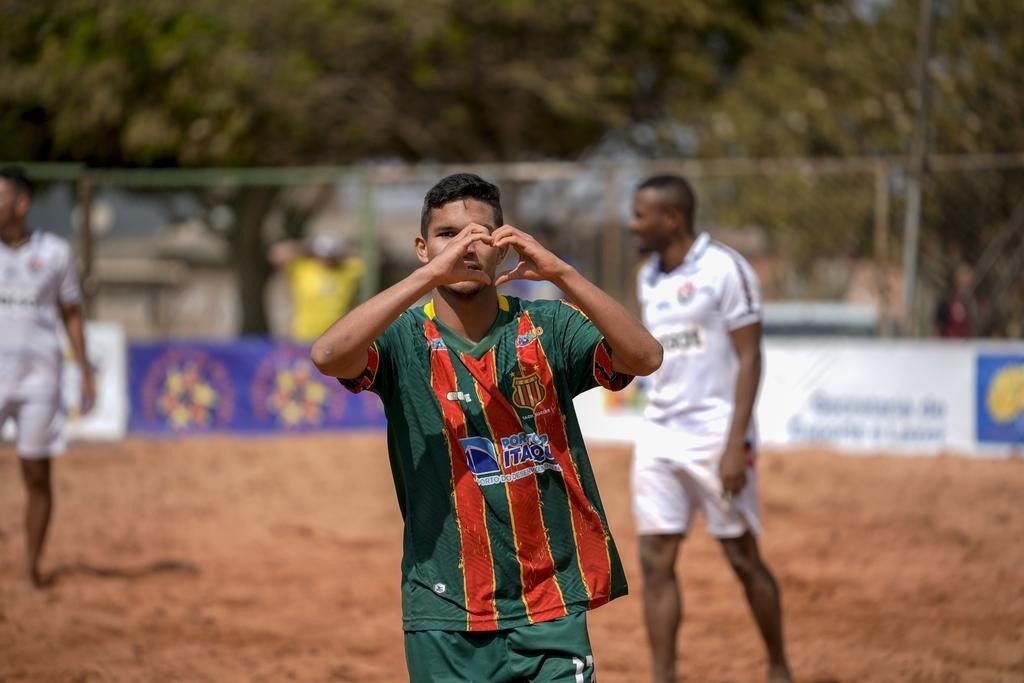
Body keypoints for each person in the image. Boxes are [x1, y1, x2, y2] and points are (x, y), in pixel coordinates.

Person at [311, 173, 662, 683]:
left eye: (481, 235)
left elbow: (645, 357)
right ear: (421, 248)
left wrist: (559, 271)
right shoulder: (403, 341)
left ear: (503, 247)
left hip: (551, 603)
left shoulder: (549, 326)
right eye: (447, 235)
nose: (465, 248)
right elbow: (327, 355)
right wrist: (429, 278)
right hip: (445, 607)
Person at [627, 174, 792, 683]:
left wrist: (735, 442)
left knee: (742, 557)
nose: (632, 223)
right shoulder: (646, 277)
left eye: (640, 214)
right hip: (658, 431)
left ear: (671, 218)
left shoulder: (726, 269)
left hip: (715, 433)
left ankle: (778, 666)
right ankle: (663, 676)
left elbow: (750, 357)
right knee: (655, 559)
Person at [0, 166, 95, 588]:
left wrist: (85, 370)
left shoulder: (54, 252)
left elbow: (71, 312)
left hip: (40, 377)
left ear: (21, 203)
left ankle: (30, 569)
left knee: (36, 474)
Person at [268, 232, 364, 342]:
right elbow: (277, 253)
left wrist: (342, 249)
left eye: (330, 256)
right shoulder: (303, 269)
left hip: (336, 335)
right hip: (304, 335)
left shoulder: (347, 271)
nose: (326, 260)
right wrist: (306, 245)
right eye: (322, 255)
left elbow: (365, 258)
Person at [933, 261, 982, 338]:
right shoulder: (947, 299)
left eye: (969, 274)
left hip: (968, 346)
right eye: (965, 274)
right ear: (956, 277)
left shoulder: (974, 301)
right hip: (950, 346)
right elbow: (938, 327)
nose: (967, 279)